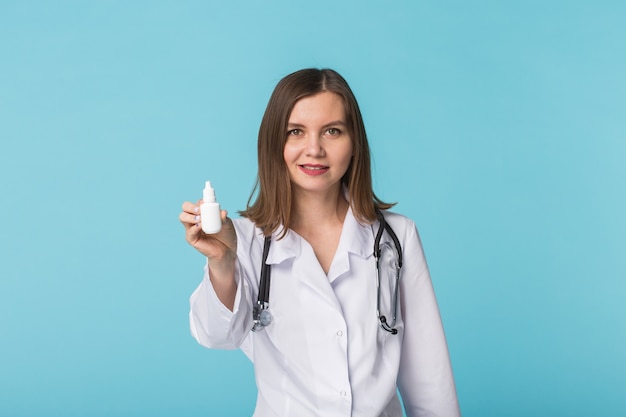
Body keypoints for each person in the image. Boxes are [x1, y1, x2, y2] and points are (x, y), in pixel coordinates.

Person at [179, 68, 460, 417]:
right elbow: (217, 336)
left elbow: (428, 376)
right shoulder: (246, 239)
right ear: (274, 144)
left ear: (354, 141)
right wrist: (222, 262)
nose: (314, 149)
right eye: (296, 132)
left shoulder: (396, 238)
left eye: (332, 131)